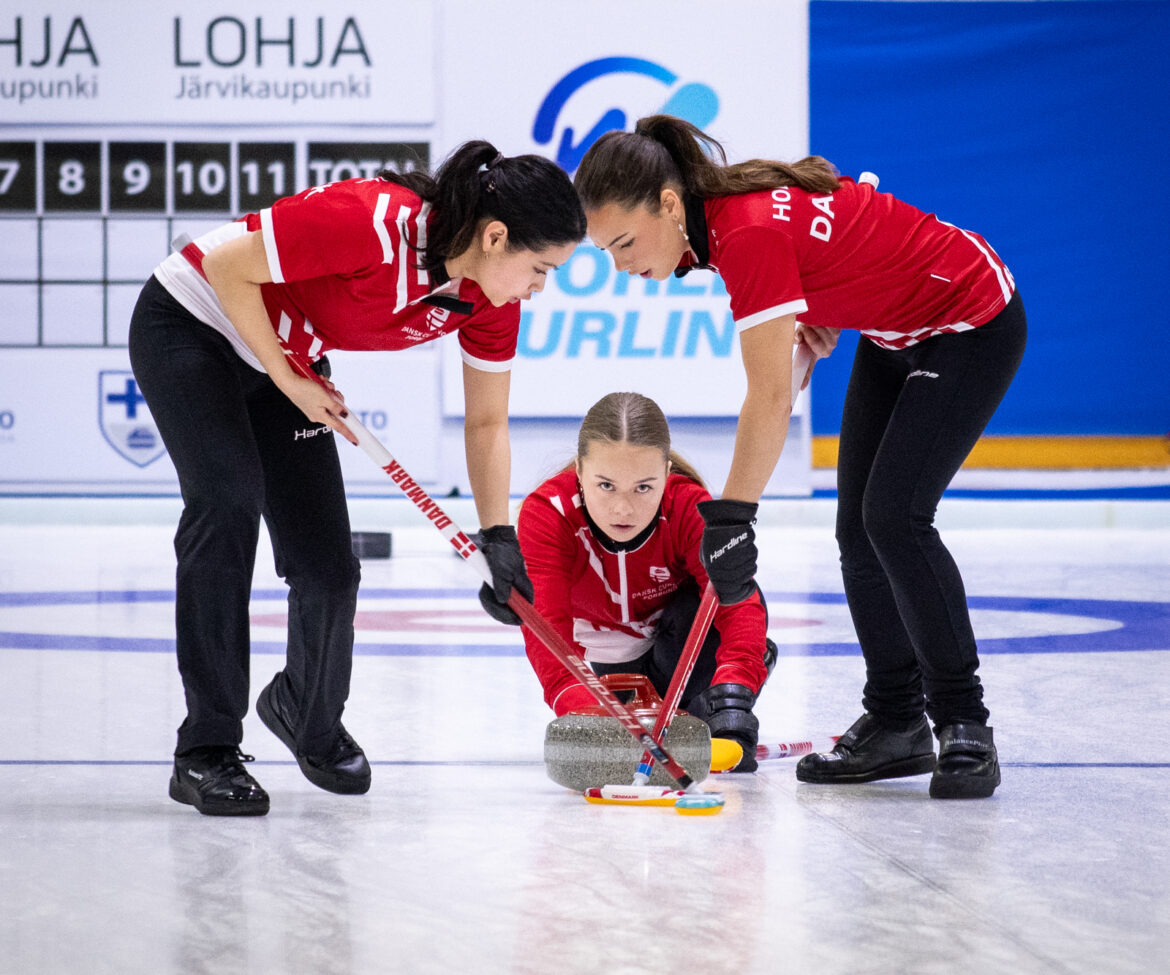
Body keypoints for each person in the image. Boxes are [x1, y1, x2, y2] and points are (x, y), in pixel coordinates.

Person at [574, 116, 1026, 799]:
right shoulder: (724, 224)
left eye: (625, 243)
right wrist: (826, 300)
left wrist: (730, 517)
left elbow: (769, 398)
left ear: (670, 205)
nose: (621, 267)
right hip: (894, 327)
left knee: (895, 517)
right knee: (859, 529)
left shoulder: (742, 232)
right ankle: (896, 718)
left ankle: (963, 721)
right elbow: (846, 236)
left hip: (971, 318)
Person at [129, 141, 585, 816]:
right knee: (227, 504)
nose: (541, 285)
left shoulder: (489, 301)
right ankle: (206, 750)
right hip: (191, 321)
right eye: (540, 267)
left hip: (285, 359)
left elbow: (486, 422)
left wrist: (498, 535)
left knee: (329, 565)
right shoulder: (373, 221)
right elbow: (226, 266)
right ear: (495, 236)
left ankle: (304, 710)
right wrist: (287, 376)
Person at [516, 391, 777, 771]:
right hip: (611, 664)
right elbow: (548, 634)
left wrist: (735, 692)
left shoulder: (688, 506)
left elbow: (737, 604)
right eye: (605, 485)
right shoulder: (548, 514)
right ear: (579, 473)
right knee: (655, 724)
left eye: (644, 487)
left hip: (678, 644)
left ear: (666, 473)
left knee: (716, 600)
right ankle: (700, 701)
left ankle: (722, 686)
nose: (624, 509)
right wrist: (580, 706)